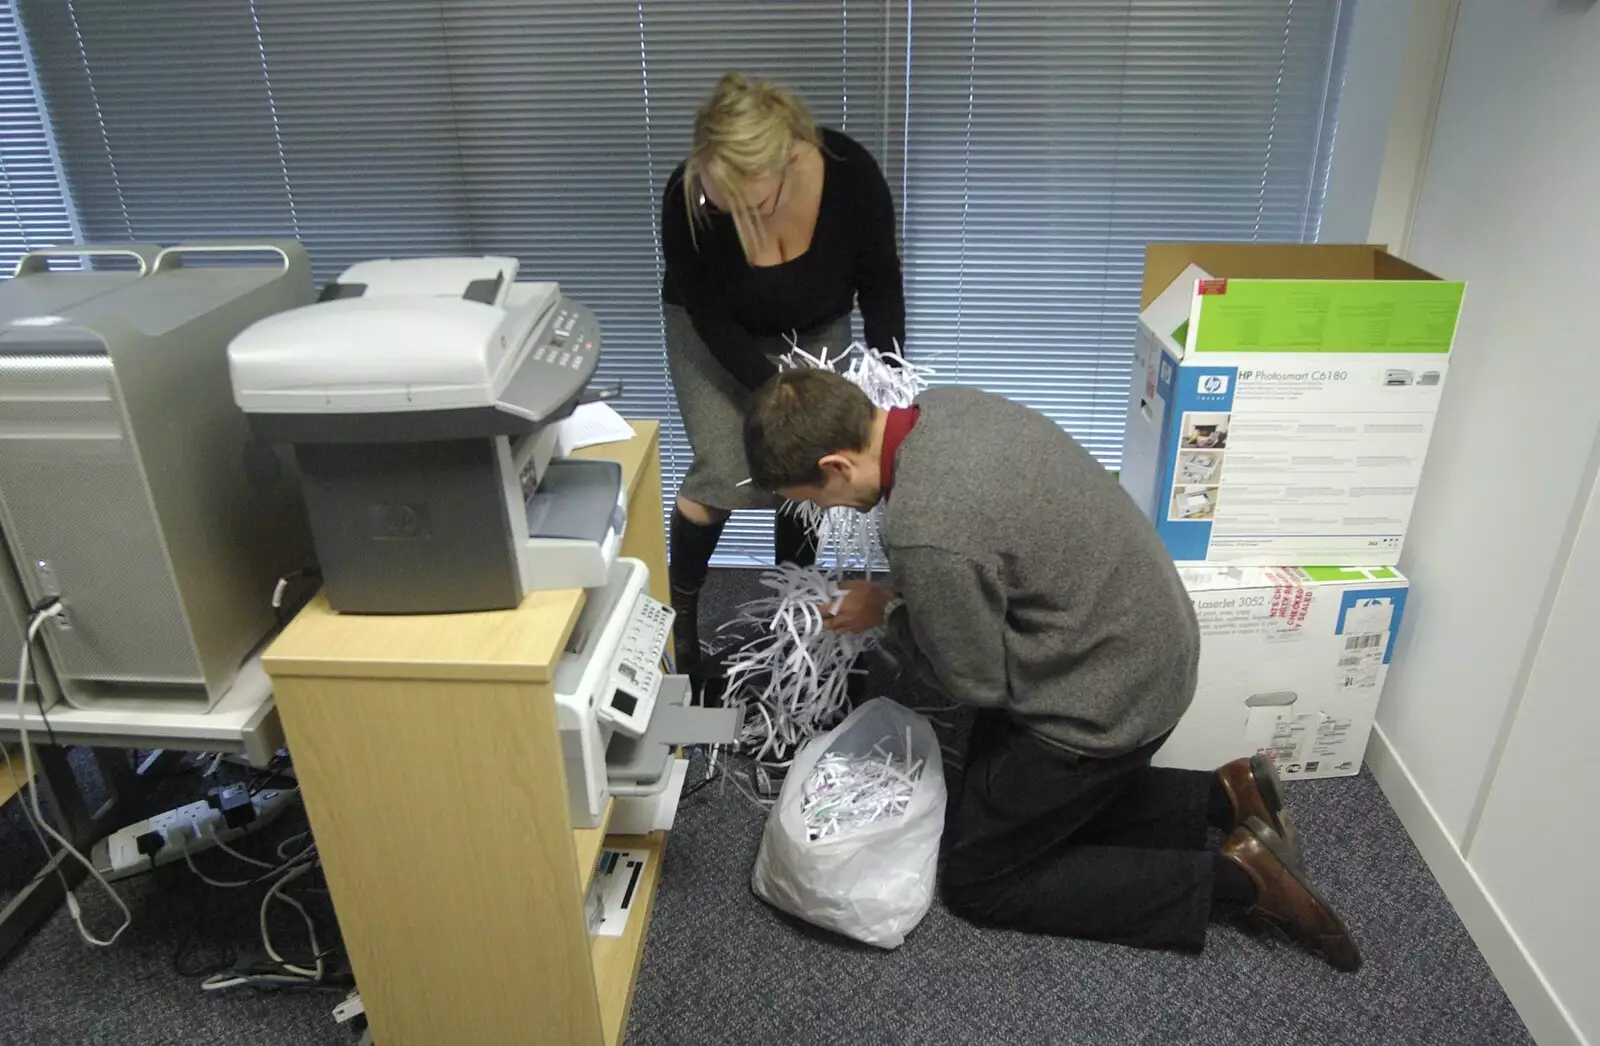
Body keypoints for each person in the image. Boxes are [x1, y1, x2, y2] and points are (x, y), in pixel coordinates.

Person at [740, 368, 1361, 970]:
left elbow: (975, 682)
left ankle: (1237, 879)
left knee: (979, 878)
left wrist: (885, 610)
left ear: (835, 466)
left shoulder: (922, 529)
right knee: (988, 794)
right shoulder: (947, 407)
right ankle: (1222, 796)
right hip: (1148, 634)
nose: (829, 511)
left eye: (816, 499)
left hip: (1109, 692)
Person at [660, 72, 905, 678]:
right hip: (715, 332)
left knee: (806, 471)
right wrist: (774, 393)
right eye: (721, 203)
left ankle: (792, 622)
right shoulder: (687, 196)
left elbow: (880, 282)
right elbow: (710, 315)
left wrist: (891, 377)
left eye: (751, 204)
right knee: (726, 472)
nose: (732, 216)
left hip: (816, 326)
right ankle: (679, 630)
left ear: (789, 158)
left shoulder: (850, 174)